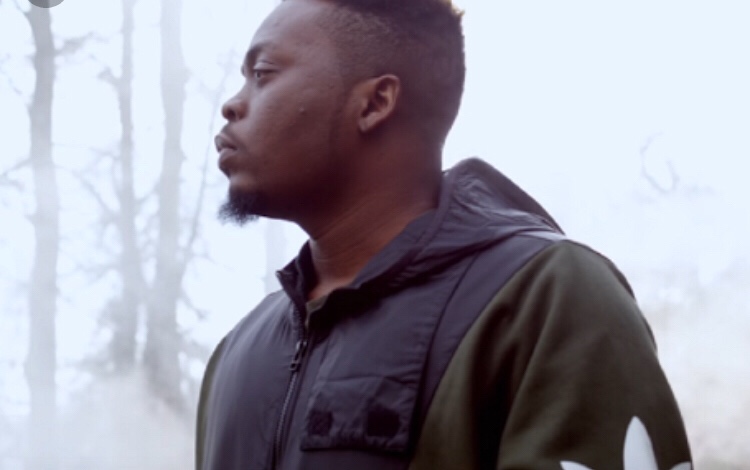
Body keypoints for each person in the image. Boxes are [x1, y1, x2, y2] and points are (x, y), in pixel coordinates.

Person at [197, 0, 693, 469]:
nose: (232, 106)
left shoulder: (547, 298)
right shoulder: (238, 352)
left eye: (263, 74)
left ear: (375, 103)